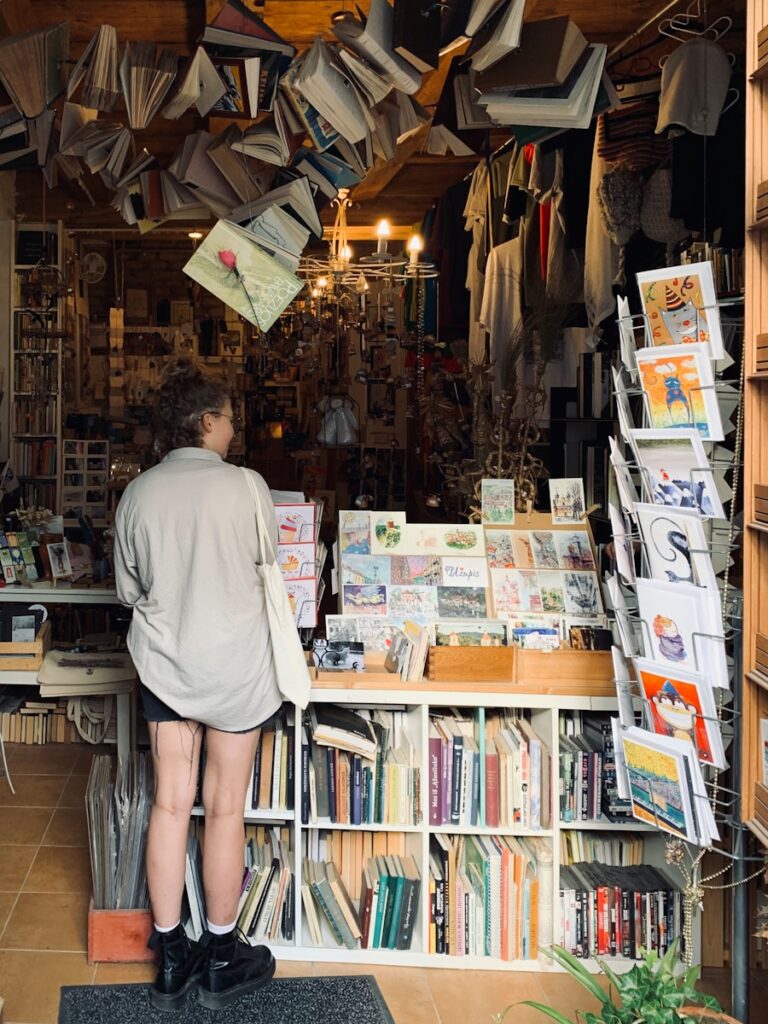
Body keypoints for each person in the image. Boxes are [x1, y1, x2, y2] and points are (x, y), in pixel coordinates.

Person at [114, 359, 280, 1011]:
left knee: (169, 803)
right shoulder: (247, 487)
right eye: (230, 420)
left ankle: (170, 950)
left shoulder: (139, 493)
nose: (234, 432)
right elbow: (267, 561)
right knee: (226, 807)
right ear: (206, 421)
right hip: (236, 666)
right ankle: (219, 949)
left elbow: (129, 591)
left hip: (167, 665)